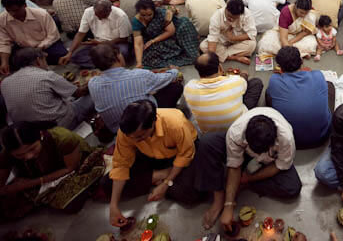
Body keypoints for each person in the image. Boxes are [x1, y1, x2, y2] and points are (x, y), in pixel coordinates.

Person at [105, 101, 227, 230]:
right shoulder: (128, 133)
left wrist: (166, 183)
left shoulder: (175, 123)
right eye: (132, 138)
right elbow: (121, 164)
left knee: (190, 195)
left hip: (180, 155)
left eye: (140, 136)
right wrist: (113, 206)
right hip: (152, 157)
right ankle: (159, 175)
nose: (134, 140)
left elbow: (185, 155)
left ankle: (161, 178)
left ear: (153, 123)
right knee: (107, 183)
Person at [0, 121, 103, 220]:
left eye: (32, 149)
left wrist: (29, 183)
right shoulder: (8, 153)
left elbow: (69, 168)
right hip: (38, 175)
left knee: (71, 203)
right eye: (20, 155)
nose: (28, 156)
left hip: (69, 169)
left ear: (40, 135)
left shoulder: (63, 138)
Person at [88, 43, 184, 135]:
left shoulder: (92, 83)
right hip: (143, 125)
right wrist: (174, 70)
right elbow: (167, 78)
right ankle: (161, 120)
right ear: (118, 56)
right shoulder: (139, 75)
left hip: (117, 130)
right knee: (175, 87)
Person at [1, 47, 94, 129]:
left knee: (63, 96)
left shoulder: (4, 83)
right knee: (94, 92)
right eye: (44, 59)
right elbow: (79, 92)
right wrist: (94, 80)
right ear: (38, 61)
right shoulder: (46, 76)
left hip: (32, 134)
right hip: (59, 125)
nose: (46, 64)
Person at [266, 46, 333, 148]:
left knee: (269, 92)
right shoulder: (318, 75)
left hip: (289, 140)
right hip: (321, 138)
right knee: (329, 86)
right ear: (301, 61)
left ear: (280, 67)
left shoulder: (274, 80)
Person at [184, 52, 263, 133]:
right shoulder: (235, 81)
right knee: (256, 83)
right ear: (220, 67)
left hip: (209, 135)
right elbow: (243, 81)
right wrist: (244, 74)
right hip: (236, 128)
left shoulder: (189, 88)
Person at [0, 0, 67, 74]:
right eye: (8, 11)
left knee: (62, 55)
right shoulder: (2, 19)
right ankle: (38, 60)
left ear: (24, 6)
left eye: (16, 10)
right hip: (24, 49)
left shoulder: (41, 14)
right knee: (11, 61)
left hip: (46, 45)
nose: (12, 14)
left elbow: (53, 36)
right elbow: (4, 43)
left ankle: (34, 62)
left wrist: (38, 49)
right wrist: (4, 62)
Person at [58, 0, 132, 69]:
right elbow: (80, 34)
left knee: (124, 52)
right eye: (97, 15)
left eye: (103, 16)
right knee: (74, 57)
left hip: (115, 44)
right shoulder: (88, 12)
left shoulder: (121, 16)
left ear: (110, 11)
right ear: (94, 9)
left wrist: (101, 43)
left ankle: (102, 64)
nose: (99, 19)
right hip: (97, 44)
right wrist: (69, 53)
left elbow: (124, 39)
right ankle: (110, 64)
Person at [132, 0, 199, 69]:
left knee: (185, 26)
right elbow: (138, 43)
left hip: (170, 34)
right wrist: (139, 63)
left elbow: (170, 31)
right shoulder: (136, 21)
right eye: (143, 15)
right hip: (155, 38)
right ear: (138, 13)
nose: (146, 18)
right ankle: (171, 60)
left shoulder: (161, 13)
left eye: (149, 15)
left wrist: (153, 40)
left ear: (154, 11)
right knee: (148, 57)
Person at [200, 0, 257, 64]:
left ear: (240, 14)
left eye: (235, 18)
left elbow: (252, 34)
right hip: (221, 40)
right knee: (203, 46)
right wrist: (212, 61)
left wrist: (232, 38)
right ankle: (235, 57)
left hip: (238, 40)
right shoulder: (216, 16)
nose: (231, 19)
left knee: (252, 45)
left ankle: (222, 56)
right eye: (229, 16)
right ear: (226, 9)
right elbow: (213, 38)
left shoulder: (247, 14)